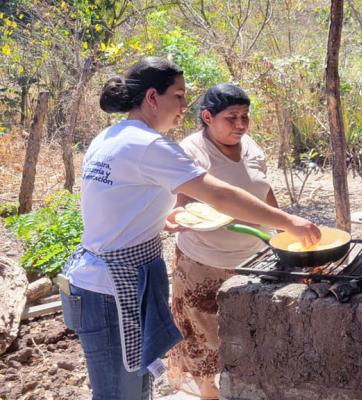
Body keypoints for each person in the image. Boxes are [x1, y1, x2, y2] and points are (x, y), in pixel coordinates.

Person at [59, 57, 320, 400]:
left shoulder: (112, 136)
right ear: (153, 97)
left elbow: (122, 204)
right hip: (111, 287)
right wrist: (288, 221)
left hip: (105, 279)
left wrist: (161, 218)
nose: (185, 106)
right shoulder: (150, 145)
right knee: (119, 394)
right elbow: (218, 193)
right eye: (179, 96)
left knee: (133, 389)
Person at [166, 84, 276, 398]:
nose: (241, 124)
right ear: (207, 117)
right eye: (232, 118)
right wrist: (179, 217)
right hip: (204, 260)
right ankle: (207, 390)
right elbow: (183, 203)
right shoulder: (191, 150)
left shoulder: (252, 147)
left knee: (245, 327)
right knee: (203, 332)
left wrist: (281, 226)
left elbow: (264, 191)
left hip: (252, 258)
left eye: (245, 116)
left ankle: (242, 385)